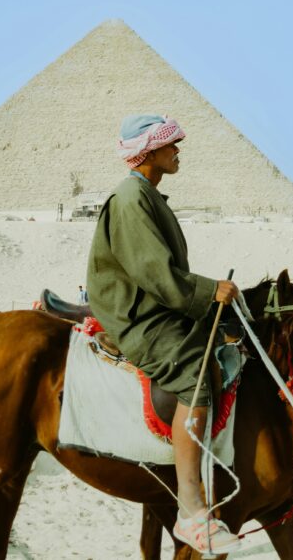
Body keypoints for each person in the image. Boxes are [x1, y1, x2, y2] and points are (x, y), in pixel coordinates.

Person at [86, 114, 242, 556]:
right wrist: (211, 290)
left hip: (155, 306)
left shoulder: (147, 195)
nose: (178, 151)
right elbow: (154, 273)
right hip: (136, 315)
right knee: (195, 371)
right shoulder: (132, 197)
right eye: (171, 144)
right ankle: (191, 509)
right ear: (149, 151)